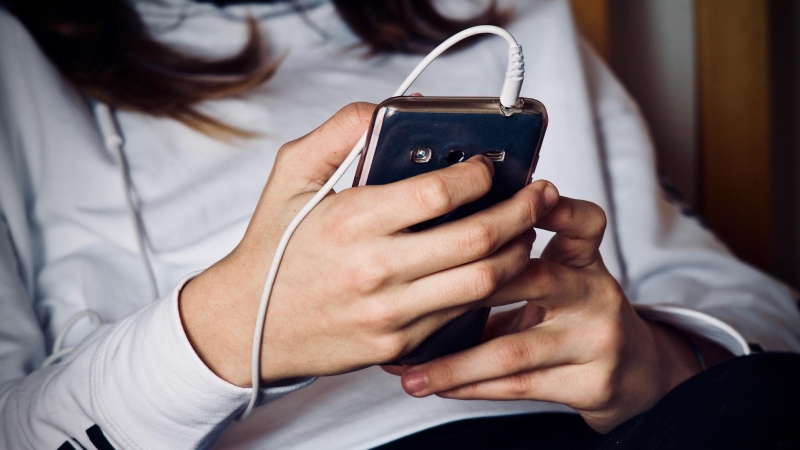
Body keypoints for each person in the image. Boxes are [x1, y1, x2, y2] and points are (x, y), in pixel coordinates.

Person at [0, 0, 798, 449]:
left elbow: (750, 309)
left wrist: (657, 359)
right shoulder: (17, 63)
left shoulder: (505, 16)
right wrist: (224, 329)